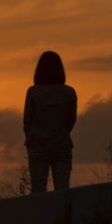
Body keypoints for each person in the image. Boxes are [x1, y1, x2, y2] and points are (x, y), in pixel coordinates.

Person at [23, 50, 77, 193]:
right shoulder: (69, 92)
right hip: (62, 146)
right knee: (63, 190)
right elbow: (71, 121)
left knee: (38, 191)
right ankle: (63, 215)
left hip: (38, 147)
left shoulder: (33, 92)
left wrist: (31, 138)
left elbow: (27, 121)